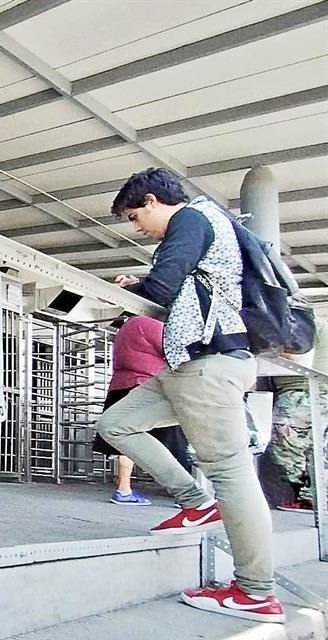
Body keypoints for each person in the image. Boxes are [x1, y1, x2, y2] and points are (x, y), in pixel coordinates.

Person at [96, 168, 284, 623]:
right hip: (185, 367)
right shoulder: (210, 225)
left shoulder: (193, 219)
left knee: (231, 472)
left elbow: (161, 287)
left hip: (206, 363)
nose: (137, 227)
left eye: (135, 216)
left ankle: (257, 591)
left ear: (153, 201)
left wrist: (129, 288)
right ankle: (196, 503)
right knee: (115, 424)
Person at [92, 316, 190, 505]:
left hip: (120, 385)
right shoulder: (150, 324)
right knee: (173, 440)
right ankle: (186, 496)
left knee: (127, 438)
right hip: (146, 386)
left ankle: (124, 490)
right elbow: (174, 350)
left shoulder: (124, 329)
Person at [268, 317, 328, 512]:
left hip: (301, 391)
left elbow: (293, 355)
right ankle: (315, 497)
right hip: (316, 391)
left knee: (287, 446)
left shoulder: (296, 320)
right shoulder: (312, 321)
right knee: (317, 449)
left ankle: (308, 497)